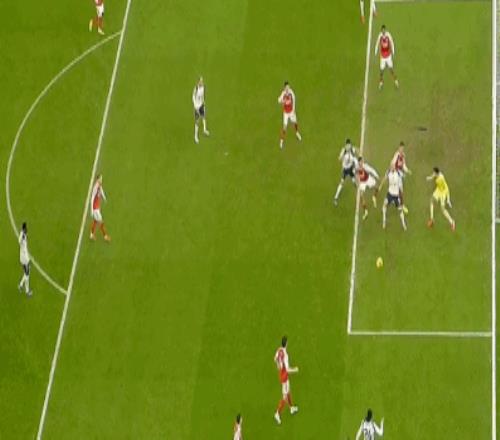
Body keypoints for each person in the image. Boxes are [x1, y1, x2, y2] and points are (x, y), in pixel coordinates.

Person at [274, 336, 299, 424]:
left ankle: (291, 408)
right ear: (287, 343)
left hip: (282, 375)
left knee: (288, 392)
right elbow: (288, 369)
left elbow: (275, 359)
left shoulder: (279, 350)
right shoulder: (285, 355)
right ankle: (277, 414)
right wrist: (295, 370)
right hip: (284, 377)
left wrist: (279, 367)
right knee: (284, 397)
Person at [378, 164, 407, 230]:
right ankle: (384, 220)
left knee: (400, 210)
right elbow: (385, 179)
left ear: (394, 167)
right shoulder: (389, 173)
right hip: (390, 194)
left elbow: (403, 176)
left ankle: (403, 224)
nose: (392, 168)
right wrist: (380, 186)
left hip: (396, 195)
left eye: (393, 167)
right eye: (391, 167)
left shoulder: (398, 173)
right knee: (384, 205)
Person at [278, 82, 302, 149]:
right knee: (284, 128)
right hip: (285, 113)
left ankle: (297, 133)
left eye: (288, 87)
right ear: (284, 88)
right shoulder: (283, 93)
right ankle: (281, 141)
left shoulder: (291, 92)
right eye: (286, 87)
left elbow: (294, 100)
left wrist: (293, 109)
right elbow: (279, 100)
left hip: (291, 112)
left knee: (295, 123)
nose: (288, 88)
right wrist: (282, 101)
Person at [334, 139, 358, 206]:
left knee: (353, 178)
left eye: (349, 145)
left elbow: (356, 150)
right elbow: (339, 158)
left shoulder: (352, 149)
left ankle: (356, 185)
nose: (348, 146)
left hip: (350, 168)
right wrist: (341, 157)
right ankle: (336, 197)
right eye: (347, 145)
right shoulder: (343, 151)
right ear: (346, 145)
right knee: (342, 182)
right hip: (345, 169)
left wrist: (357, 151)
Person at [374, 25, 399, 89]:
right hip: (382, 57)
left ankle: (396, 81)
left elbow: (392, 42)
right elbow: (377, 43)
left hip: (388, 56)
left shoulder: (388, 35)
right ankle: (381, 82)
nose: (383, 31)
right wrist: (375, 52)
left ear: (385, 30)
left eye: (384, 30)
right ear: (381, 30)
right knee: (381, 71)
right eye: (382, 30)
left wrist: (393, 51)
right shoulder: (380, 36)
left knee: (391, 69)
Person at [90, 174, 111, 242]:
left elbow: (101, 190)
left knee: (95, 221)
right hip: (95, 209)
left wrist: (104, 197)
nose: (101, 180)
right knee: (101, 222)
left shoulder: (99, 185)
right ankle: (105, 236)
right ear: (97, 179)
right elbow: (92, 198)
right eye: (100, 179)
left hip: (97, 207)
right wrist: (92, 210)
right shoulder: (95, 188)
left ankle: (91, 235)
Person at [192, 77, 210, 144]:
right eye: (200, 81)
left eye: (202, 81)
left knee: (204, 117)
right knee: (197, 121)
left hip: (201, 105)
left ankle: (204, 130)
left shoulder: (203, 87)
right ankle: (195, 136)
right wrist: (195, 106)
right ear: (198, 82)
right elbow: (193, 97)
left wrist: (203, 102)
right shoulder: (196, 88)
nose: (202, 82)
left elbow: (203, 95)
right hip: (197, 107)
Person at [18, 222, 33, 297]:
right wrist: (22, 236)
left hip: (24, 256)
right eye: (25, 228)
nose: (27, 229)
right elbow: (19, 241)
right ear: (24, 228)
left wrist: (24, 235)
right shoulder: (22, 235)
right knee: (27, 274)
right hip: (24, 258)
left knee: (27, 272)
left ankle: (21, 285)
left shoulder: (24, 234)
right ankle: (26, 291)